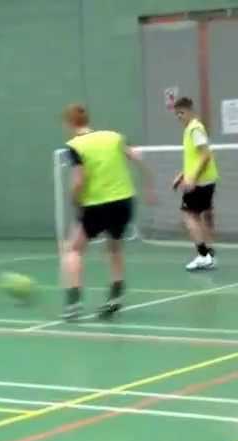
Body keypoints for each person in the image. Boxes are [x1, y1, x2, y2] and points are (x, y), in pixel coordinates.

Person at [60, 104, 154, 321]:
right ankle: (115, 297)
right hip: (123, 202)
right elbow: (138, 158)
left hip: (96, 204)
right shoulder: (114, 136)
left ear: (70, 123)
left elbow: (79, 180)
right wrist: (149, 187)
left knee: (73, 249)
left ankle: (73, 303)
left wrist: (74, 199)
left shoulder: (74, 146)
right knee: (114, 247)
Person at [171, 97, 219, 271]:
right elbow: (195, 158)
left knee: (189, 216)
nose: (179, 117)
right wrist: (182, 175)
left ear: (191, 111)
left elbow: (205, 156)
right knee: (197, 217)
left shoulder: (195, 129)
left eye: (181, 113)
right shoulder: (190, 129)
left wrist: (192, 178)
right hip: (203, 179)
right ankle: (208, 254)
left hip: (200, 181)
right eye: (176, 114)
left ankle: (203, 255)